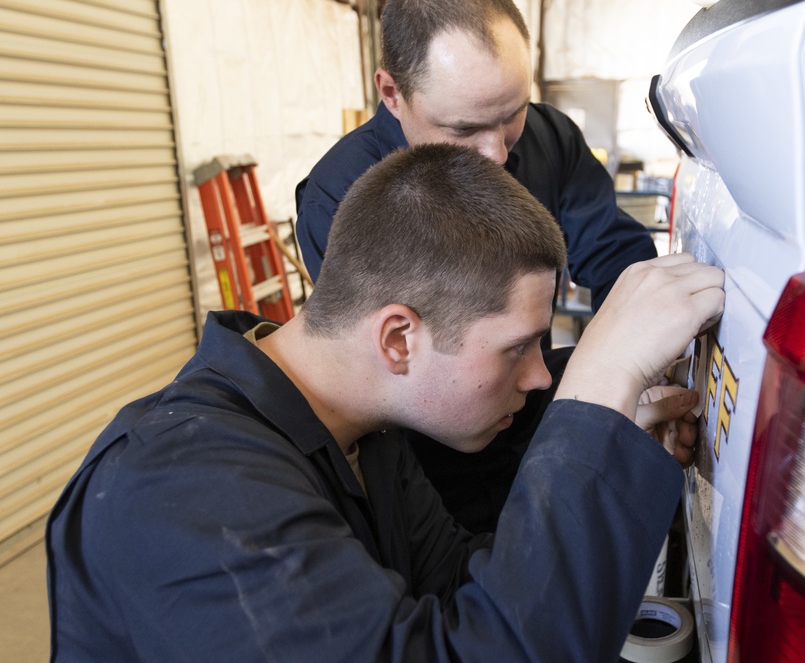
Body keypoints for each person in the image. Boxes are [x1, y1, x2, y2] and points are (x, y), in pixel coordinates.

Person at [47, 144, 725, 662]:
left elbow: (463, 594)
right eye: (515, 347)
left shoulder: (361, 433)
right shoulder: (183, 490)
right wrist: (595, 397)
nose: (540, 377)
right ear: (399, 338)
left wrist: (610, 461)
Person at [295, 0, 661, 534]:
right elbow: (392, 385)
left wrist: (640, 363)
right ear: (393, 94)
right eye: (464, 129)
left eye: (512, 112)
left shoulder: (549, 138)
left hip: (528, 423)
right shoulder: (340, 195)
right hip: (429, 472)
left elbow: (615, 256)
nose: (495, 153)